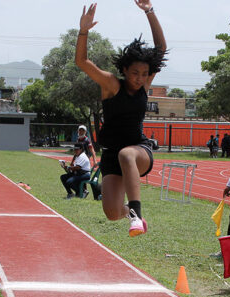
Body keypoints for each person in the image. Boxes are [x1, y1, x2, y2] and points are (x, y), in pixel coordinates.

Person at [75, 1, 167, 237]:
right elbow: (82, 62)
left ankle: (135, 214)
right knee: (112, 212)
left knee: (127, 154)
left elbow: (161, 49)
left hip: (138, 151)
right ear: (124, 70)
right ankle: (130, 213)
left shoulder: (144, 85)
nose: (140, 78)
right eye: (135, 73)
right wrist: (83, 31)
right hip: (111, 155)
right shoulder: (111, 85)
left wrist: (149, 11)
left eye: (144, 74)